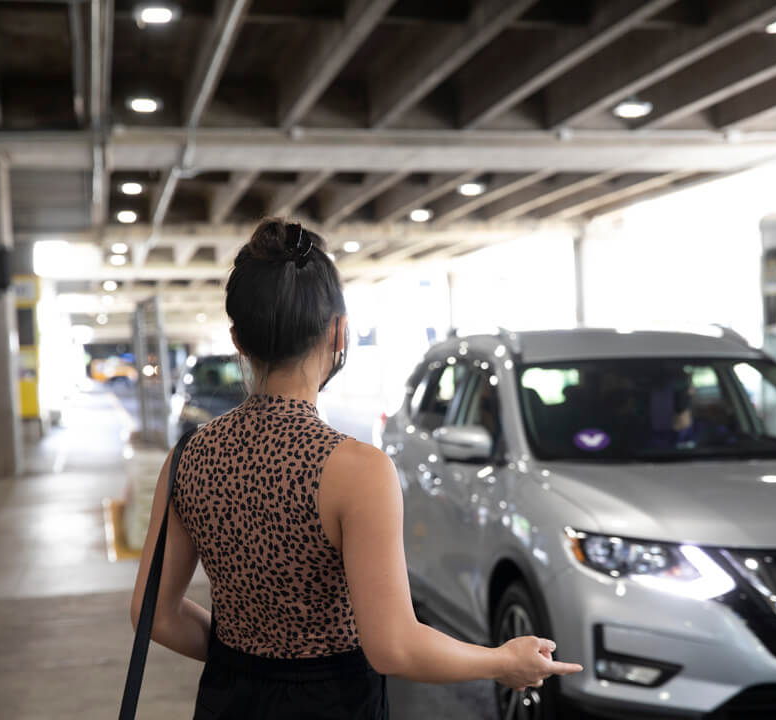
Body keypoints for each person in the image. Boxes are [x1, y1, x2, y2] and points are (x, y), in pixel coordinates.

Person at [131, 219, 581, 719]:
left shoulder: (189, 456)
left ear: (238, 339)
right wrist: (500, 661)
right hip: (333, 705)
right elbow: (393, 646)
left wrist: (244, 661)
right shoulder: (354, 469)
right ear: (338, 331)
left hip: (226, 702)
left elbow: (156, 614)